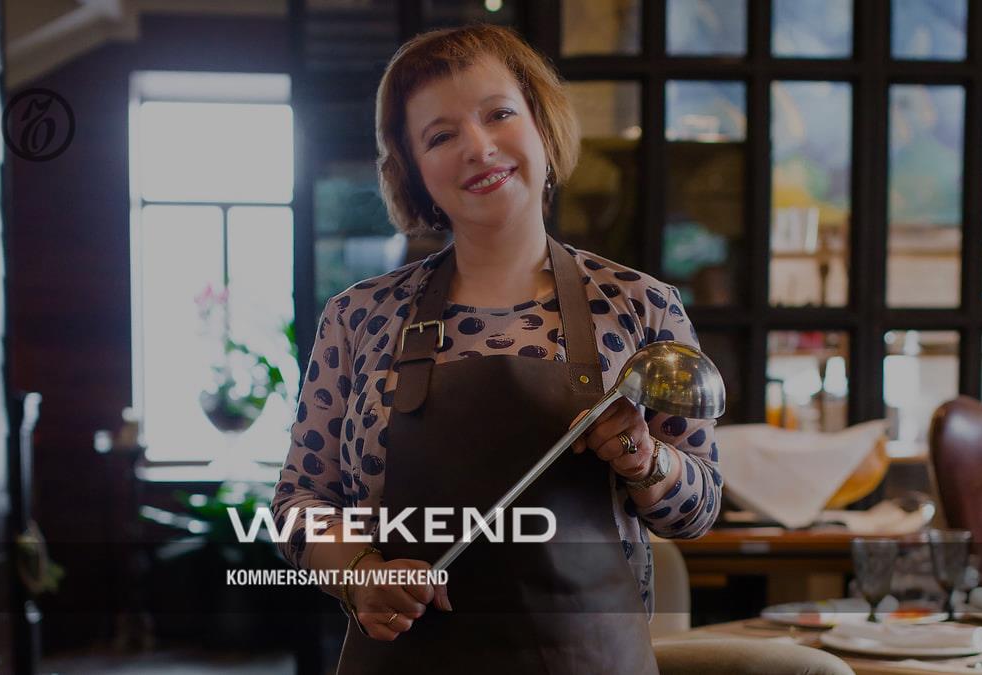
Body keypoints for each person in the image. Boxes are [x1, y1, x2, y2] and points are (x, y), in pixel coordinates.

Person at [271, 24, 722, 674]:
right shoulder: (358, 317)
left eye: (499, 114)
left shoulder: (640, 306)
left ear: (541, 124)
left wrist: (645, 459)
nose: (478, 148)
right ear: (414, 171)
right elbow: (299, 501)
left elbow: (698, 512)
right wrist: (359, 570)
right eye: (440, 136)